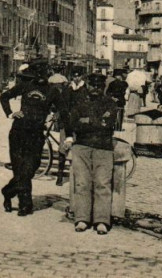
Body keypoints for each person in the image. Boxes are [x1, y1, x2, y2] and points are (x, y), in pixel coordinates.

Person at [0, 59, 60, 216]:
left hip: (36, 134)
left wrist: (55, 115)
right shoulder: (25, 86)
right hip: (19, 132)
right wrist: (10, 113)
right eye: (37, 72)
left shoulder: (52, 91)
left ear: (48, 73)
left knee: (31, 168)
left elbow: (62, 108)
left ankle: (7, 191)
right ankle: (25, 205)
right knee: (20, 169)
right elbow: (4, 97)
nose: (40, 76)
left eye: (43, 72)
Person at [61, 73, 119, 235]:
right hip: (82, 147)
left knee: (103, 183)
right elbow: (73, 123)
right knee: (82, 183)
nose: (95, 89)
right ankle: (82, 219)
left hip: (103, 147)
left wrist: (86, 121)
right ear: (88, 85)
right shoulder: (79, 102)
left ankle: (101, 220)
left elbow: (107, 124)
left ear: (103, 87)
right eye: (93, 85)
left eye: (99, 86)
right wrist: (95, 122)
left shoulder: (110, 103)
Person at [55, 70, 87, 186]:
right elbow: (61, 104)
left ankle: (78, 175)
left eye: (78, 76)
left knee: (79, 148)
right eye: (74, 76)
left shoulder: (85, 89)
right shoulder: (67, 89)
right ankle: (60, 175)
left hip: (79, 123)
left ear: (82, 76)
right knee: (63, 148)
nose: (76, 78)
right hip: (67, 122)